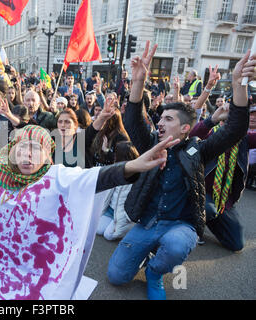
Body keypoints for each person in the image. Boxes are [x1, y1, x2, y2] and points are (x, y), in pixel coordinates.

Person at [0, 97, 180, 300]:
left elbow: (99, 178)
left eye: (36, 149)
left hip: (34, 265)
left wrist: (133, 166)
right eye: (22, 148)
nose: (28, 155)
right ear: (11, 149)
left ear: (47, 155)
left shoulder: (57, 176)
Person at [107, 42, 254, 300]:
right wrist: (138, 81)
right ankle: (148, 250)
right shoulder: (150, 145)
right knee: (117, 277)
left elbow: (235, 129)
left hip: (180, 226)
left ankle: (155, 272)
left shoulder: (199, 150)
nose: (160, 123)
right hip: (147, 223)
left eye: (168, 119)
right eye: (160, 118)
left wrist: (238, 84)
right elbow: (132, 120)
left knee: (175, 246)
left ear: (185, 129)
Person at [189, 100, 256, 251]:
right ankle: (191, 225)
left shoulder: (243, 139)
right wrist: (212, 119)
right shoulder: (210, 133)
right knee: (208, 208)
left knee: (236, 243)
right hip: (198, 192)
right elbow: (191, 137)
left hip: (222, 198)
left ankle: (207, 218)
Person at [96, 141, 139, 241]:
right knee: (98, 230)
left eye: (116, 154)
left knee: (109, 235)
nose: (114, 156)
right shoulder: (116, 169)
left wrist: (127, 218)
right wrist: (105, 149)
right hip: (110, 209)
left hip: (123, 215)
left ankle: (133, 227)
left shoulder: (136, 175)